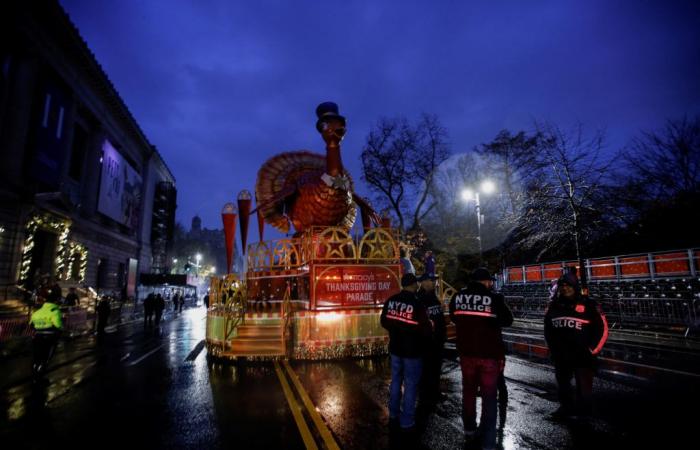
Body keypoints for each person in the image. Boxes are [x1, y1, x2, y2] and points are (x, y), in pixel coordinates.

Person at [449, 267, 513, 450]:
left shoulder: (458, 297)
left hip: (466, 353)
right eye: (489, 281)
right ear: (486, 281)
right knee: (489, 396)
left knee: (468, 391)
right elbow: (508, 320)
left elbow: (454, 317)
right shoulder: (494, 298)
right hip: (489, 355)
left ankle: (469, 429)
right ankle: (488, 441)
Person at [544, 272, 608, 420]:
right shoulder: (554, 306)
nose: (565, 288)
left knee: (584, 389)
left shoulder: (589, 304)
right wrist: (553, 349)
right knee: (563, 386)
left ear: (575, 286)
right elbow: (548, 330)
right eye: (562, 285)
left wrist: (592, 350)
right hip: (562, 356)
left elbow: (602, 329)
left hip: (583, 356)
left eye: (568, 285)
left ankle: (584, 415)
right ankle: (565, 407)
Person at [380, 273, 432, 434]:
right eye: (416, 283)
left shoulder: (391, 301)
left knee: (396, 381)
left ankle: (393, 414)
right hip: (412, 351)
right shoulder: (417, 304)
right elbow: (426, 329)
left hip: (396, 348)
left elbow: (384, 321)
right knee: (410, 385)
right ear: (413, 285)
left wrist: (396, 330)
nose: (418, 285)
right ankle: (407, 421)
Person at [417, 273, 446, 404]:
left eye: (433, 281)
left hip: (437, 341)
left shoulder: (433, 296)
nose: (433, 283)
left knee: (436, 368)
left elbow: (439, 317)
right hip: (426, 341)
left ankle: (434, 391)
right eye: (429, 281)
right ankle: (426, 394)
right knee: (427, 368)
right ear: (422, 283)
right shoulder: (419, 299)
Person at [29, 288, 64, 380]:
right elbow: (58, 325)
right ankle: (41, 374)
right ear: (55, 301)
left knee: (37, 356)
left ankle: (35, 370)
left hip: (37, 337)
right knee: (46, 356)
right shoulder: (55, 311)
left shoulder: (37, 312)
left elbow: (31, 325)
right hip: (50, 337)